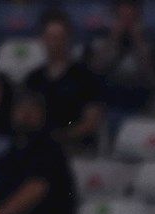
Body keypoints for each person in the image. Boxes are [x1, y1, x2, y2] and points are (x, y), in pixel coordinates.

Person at [0, 90, 77, 214]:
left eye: (32, 108)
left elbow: (33, 191)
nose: (26, 114)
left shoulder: (50, 149)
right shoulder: (10, 151)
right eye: (21, 108)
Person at [24, 9, 105, 151]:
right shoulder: (33, 79)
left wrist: (61, 137)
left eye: (59, 37)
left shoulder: (86, 77)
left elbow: (91, 120)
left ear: (68, 39)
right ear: (43, 39)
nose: (55, 43)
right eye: (50, 37)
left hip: (76, 148)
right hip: (39, 149)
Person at [85, 0, 155, 122]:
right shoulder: (98, 37)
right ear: (114, 15)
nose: (126, 23)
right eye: (121, 17)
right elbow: (92, 71)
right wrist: (112, 39)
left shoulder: (151, 41)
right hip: (104, 104)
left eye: (131, 18)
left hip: (140, 103)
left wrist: (139, 43)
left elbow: (154, 79)